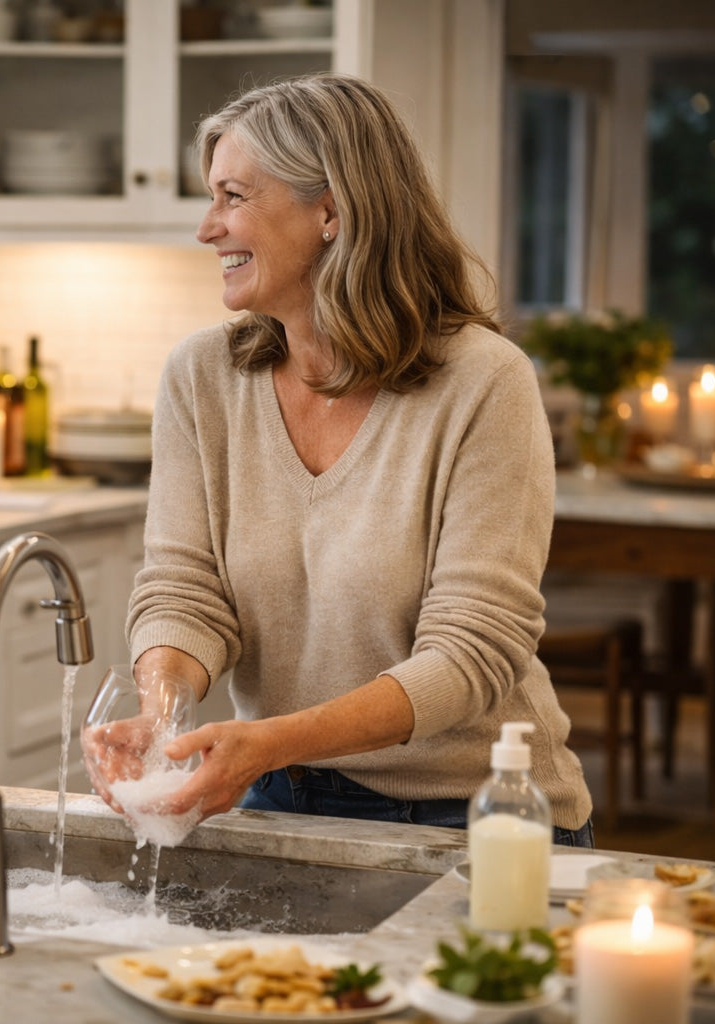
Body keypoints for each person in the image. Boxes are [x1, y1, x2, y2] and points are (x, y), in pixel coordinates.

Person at [95, 73, 594, 845]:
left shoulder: (485, 382)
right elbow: (185, 589)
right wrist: (162, 714)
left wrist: (271, 742)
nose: (207, 227)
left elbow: (474, 651)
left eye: (233, 196)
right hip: (277, 798)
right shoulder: (203, 377)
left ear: (330, 211)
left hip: (477, 815)